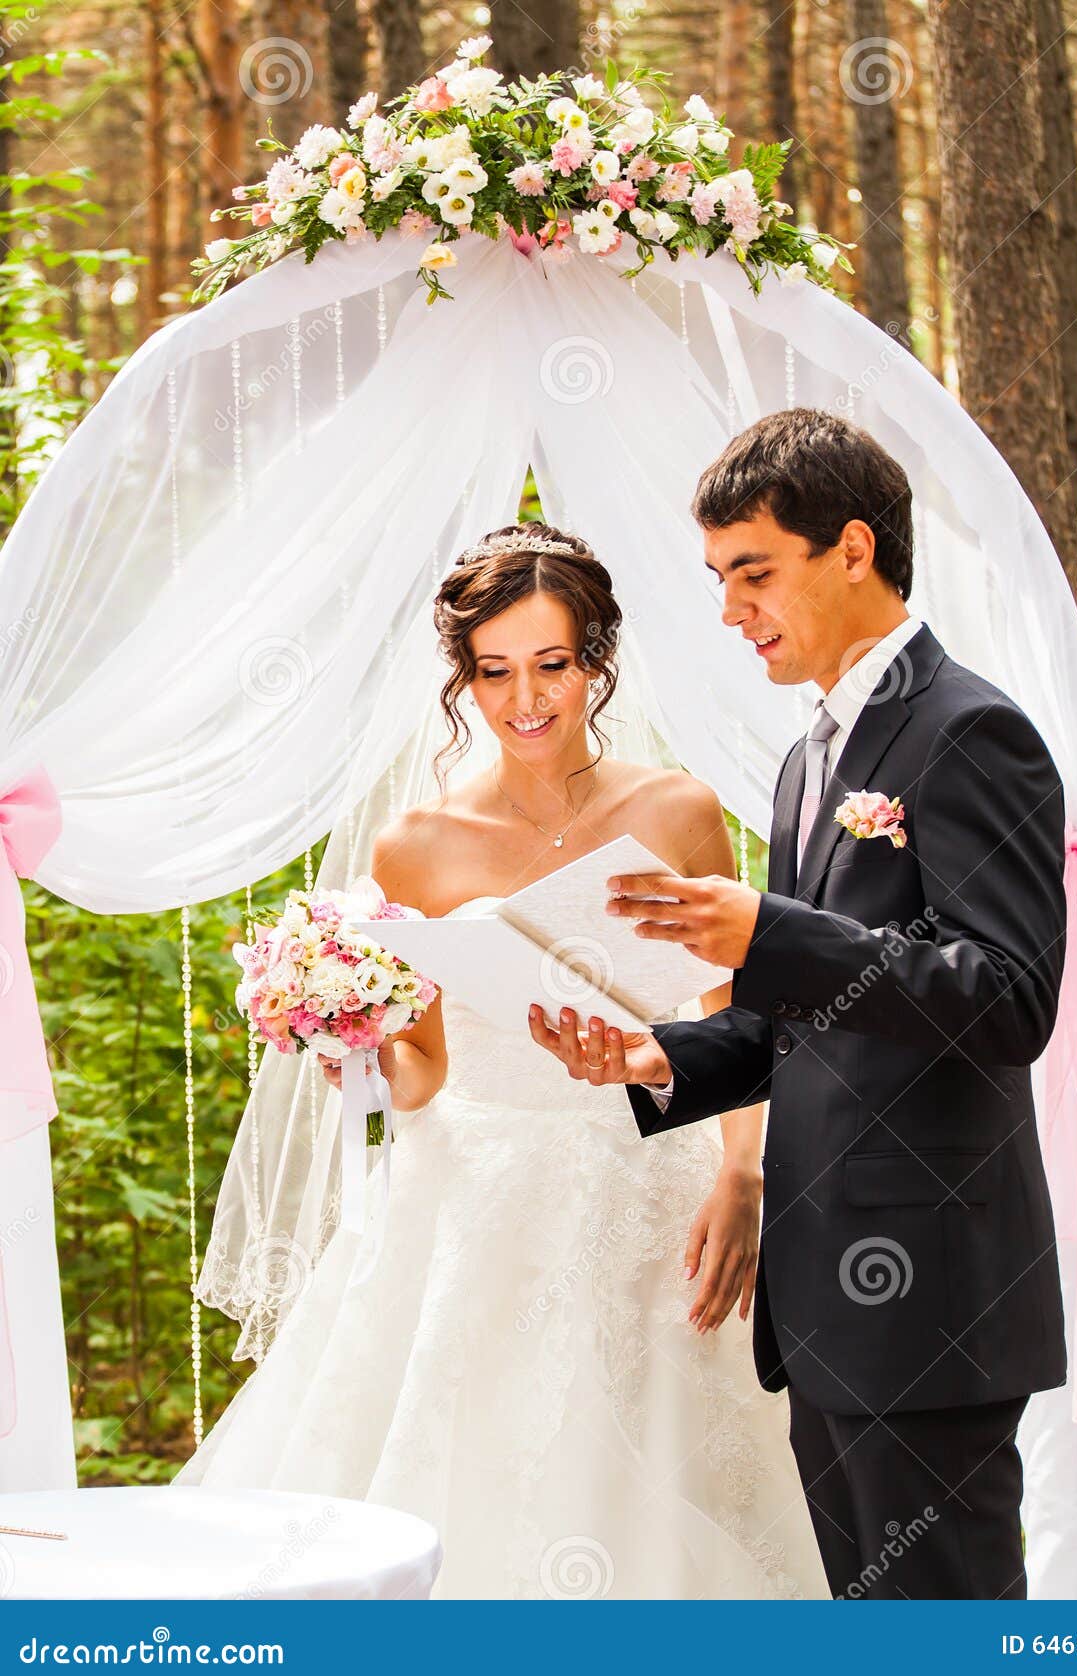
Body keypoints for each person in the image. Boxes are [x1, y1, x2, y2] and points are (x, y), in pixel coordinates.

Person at [173, 521, 828, 1601]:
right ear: (463, 679)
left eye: (552, 666)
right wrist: (362, 1051)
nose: (526, 699)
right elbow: (426, 1070)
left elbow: (741, 1016)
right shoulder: (414, 845)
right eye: (494, 671)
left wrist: (741, 1174)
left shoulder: (676, 810)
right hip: (469, 1197)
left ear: (597, 665)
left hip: (652, 1181)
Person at [531, 410, 1070, 1599]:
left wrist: (769, 930)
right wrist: (653, 1057)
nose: (732, 611)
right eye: (721, 579)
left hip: (931, 1295)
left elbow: (1009, 996)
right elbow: (806, 1021)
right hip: (826, 1296)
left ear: (855, 549)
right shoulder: (806, 756)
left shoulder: (972, 731)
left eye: (755, 573)